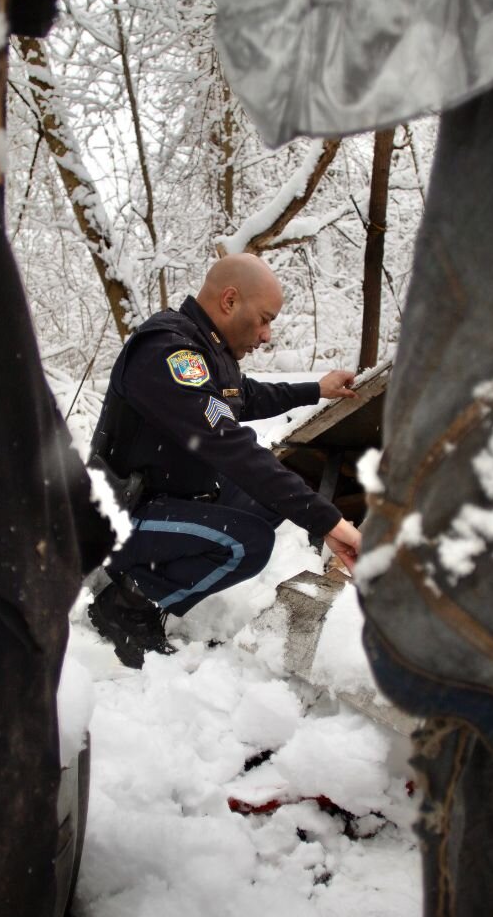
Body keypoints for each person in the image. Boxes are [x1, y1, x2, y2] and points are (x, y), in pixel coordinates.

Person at [88, 252, 363, 667]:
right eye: (265, 319)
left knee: (270, 498)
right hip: (121, 512)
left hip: (165, 497)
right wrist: (329, 521)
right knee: (246, 544)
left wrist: (315, 389)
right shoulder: (166, 352)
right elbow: (230, 446)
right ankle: (127, 602)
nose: (267, 335)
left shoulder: (206, 351)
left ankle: (147, 573)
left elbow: (241, 396)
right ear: (230, 301)